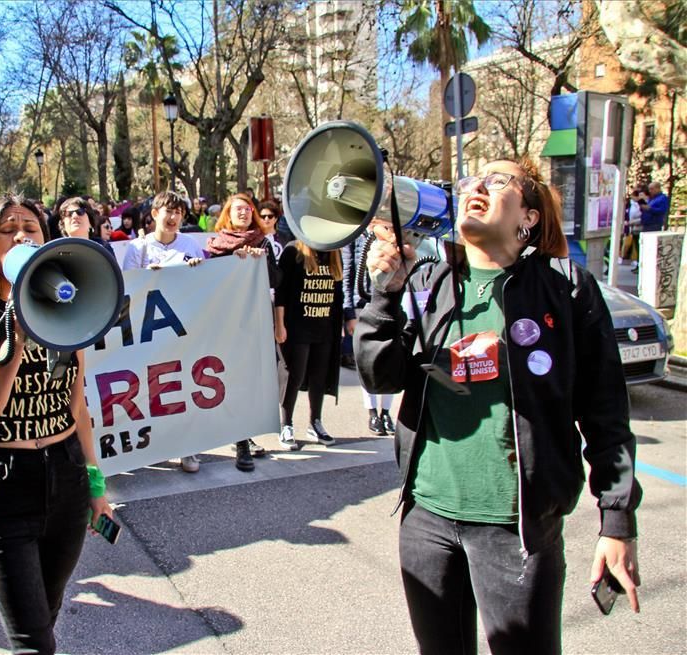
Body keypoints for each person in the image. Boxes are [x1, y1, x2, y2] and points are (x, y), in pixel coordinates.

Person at [355, 158, 642, 654]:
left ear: (527, 217)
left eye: (498, 180)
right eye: (470, 180)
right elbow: (381, 373)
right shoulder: (430, 282)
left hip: (517, 531)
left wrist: (616, 520)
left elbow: (606, 412)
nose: (476, 187)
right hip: (427, 519)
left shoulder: (565, 288)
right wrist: (385, 295)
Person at [0, 194, 113, 655]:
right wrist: (15, 339)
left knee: (45, 618)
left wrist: (96, 486)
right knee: (33, 642)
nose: (21, 235)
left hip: (67, 478)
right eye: (8, 228)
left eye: (31, 227)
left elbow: (78, 407)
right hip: (0, 484)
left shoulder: (67, 310)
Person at [121, 191, 204, 473]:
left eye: (179, 212)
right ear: (154, 214)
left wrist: (196, 269)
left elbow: (206, 282)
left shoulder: (191, 244)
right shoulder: (137, 248)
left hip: (184, 331)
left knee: (186, 389)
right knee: (155, 391)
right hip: (151, 333)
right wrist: (149, 276)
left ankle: (188, 448)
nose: (173, 217)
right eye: (168, 211)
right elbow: (127, 289)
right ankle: (158, 445)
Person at [206, 193, 279, 471]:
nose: (244, 213)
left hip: (254, 321)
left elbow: (276, 281)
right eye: (238, 209)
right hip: (225, 322)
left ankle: (244, 433)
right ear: (227, 214)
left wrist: (260, 262)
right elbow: (206, 281)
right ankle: (241, 444)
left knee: (250, 382)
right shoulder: (215, 246)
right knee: (231, 380)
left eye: (248, 209)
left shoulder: (263, 243)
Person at [273, 241, 343, 450]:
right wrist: (279, 325)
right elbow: (281, 293)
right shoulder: (293, 250)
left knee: (319, 378)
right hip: (297, 327)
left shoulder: (333, 251)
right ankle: (286, 424)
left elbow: (336, 293)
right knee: (294, 376)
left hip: (324, 328)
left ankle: (315, 422)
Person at [341, 231, 396, 436]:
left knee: (389, 359)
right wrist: (348, 312)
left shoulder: (395, 234)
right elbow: (347, 273)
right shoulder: (357, 236)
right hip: (363, 304)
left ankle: (386, 412)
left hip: (391, 301)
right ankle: (372, 412)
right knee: (367, 361)